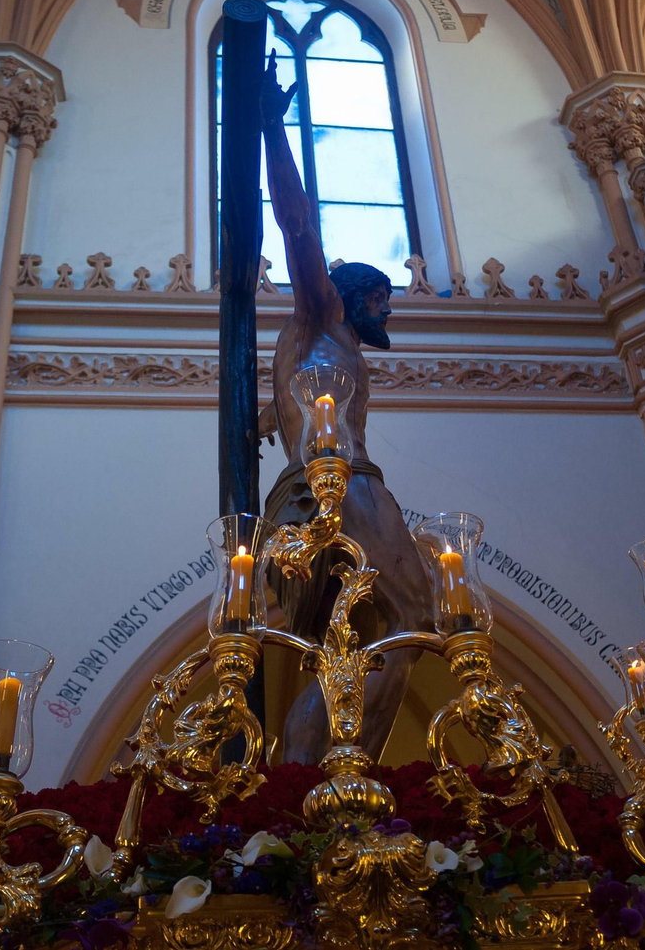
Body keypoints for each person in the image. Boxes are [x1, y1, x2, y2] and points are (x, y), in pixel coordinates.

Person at [258, 56, 433, 764]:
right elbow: (297, 226)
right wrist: (274, 127)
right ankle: (319, 766)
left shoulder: (313, 353)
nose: (387, 306)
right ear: (346, 292)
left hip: (316, 493)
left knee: (352, 644)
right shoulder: (319, 315)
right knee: (414, 617)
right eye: (381, 294)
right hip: (344, 486)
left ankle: (316, 767)